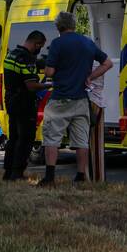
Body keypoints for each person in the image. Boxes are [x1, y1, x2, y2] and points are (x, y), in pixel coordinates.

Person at [39, 11, 111, 186]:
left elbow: (49, 72)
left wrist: (47, 67)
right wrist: (90, 77)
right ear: (74, 25)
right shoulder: (87, 42)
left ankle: (49, 177)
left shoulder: (57, 44)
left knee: (52, 138)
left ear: (58, 26)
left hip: (60, 99)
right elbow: (108, 63)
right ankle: (80, 176)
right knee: (81, 140)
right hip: (81, 100)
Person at [2, 30, 52, 181]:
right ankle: (17, 172)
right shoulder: (26, 58)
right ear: (36, 43)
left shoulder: (11, 54)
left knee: (13, 138)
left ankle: (8, 171)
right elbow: (31, 85)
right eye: (40, 46)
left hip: (11, 100)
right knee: (25, 138)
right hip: (24, 102)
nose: (40, 50)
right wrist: (48, 85)